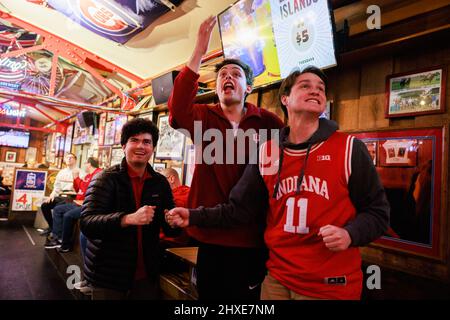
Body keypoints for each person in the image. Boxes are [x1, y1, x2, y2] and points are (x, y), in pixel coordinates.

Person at [167, 66, 390, 300]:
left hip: (328, 285)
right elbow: (239, 209)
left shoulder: (348, 148)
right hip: (276, 279)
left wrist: (350, 233)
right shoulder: (268, 152)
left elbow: (378, 213)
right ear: (285, 98)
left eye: (321, 88)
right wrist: (193, 215)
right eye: (305, 86)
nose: (315, 91)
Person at [167, 16, 284, 301]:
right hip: (209, 234)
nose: (227, 78)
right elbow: (176, 111)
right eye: (222, 75)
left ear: (248, 89)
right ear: (217, 88)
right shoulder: (202, 116)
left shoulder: (268, 122)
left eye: (235, 74)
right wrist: (199, 50)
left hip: (252, 236)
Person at [80, 118, 178, 300]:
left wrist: (174, 221)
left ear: (153, 149)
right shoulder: (105, 179)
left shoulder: (160, 183)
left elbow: (171, 228)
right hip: (108, 276)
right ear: (124, 146)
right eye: (134, 140)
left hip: (146, 275)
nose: (141, 146)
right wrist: (126, 219)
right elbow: (86, 223)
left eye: (147, 142)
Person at [49, 157, 102, 252]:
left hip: (89, 206)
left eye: (85, 163)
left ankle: (66, 246)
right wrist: (76, 178)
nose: (84, 165)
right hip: (79, 203)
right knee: (58, 209)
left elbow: (95, 193)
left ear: (89, 164)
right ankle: (58, 237)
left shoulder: (99, 174)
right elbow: (79, 190)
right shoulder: (87, 176)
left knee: (68, 215)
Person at [41, 153, 80, 244]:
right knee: (45, 205)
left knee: (58, 207)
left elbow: (80, 188)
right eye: (67, 157)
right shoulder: (61, 172)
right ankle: (52, 227)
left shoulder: (79, 172)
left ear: (75, 160)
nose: (69, 159)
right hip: (60, 196)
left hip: (71, 197)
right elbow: (56, 187)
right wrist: (51, 196)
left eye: (71, 157)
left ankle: (57, 234)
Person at [160, 167, 190, 246]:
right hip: (189, 244)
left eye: (161, 181)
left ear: (171, 179)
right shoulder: (191, 193)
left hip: (171, 243)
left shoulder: (174, 198)